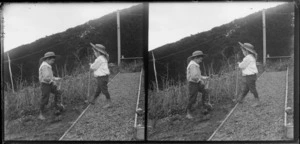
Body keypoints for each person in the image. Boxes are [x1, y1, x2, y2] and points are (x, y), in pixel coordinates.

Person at [38, 52, 63, 120]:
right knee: (45, 98)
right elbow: (46, 78)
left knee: (58, 92)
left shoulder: (47, 66)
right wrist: (53, 81)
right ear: (48, 59)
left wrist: (55, 78)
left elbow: (50, 76)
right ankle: (41, 114)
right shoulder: (44, 66)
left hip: (49, 83)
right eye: (52, 60)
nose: (53, 62)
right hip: (45, 84)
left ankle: (58, 108)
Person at [186, 50, 210, 119]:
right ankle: (188, 113)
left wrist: (204, 77)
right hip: (193, 84)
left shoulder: (195, 65)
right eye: (200, 59)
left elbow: (197, 75)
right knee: (192, 98)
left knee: (205, 91)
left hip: (196, 82)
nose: (201, 60)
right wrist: (200, 80)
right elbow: (194, 77)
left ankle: (205, 106)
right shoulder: (193, 65)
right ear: (196, 58)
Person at [236, 42, 260, 107]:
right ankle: (240, 99)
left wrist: (239, 64)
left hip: (250, 76)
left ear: (246, 51)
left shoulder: (248, 58)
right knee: (246, 88)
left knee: (252, 89)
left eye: (243, 51)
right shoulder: (251, 57)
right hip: (251, 76)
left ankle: (257, 101)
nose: (243, 52)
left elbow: (242, 66)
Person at [89, 43, 112, 109]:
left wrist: (91, 65)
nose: (94, 53)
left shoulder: (99, 59)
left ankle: (109, 103)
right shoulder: (103, 58)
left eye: (94, 52)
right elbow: (97, 65)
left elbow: (93, 67)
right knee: (98, 89)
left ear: (98, 52)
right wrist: (92, 65)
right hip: (103, 77)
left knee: (104, 90)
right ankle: (93, 100)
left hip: (102, 78)